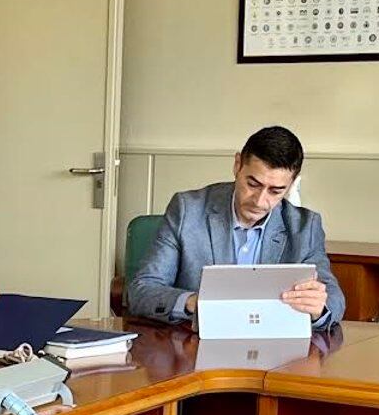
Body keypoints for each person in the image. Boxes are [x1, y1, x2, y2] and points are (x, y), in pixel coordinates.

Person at [126, 126, 345, 329]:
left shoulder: (305, 227)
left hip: (273, 348)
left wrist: (318, 309)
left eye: (275, 191)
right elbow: (142, 290)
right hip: (195, 346)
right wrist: (194, 302)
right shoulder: (187, 210)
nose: (260, 201)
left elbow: (335, 299)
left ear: (291, 183)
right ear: (237, 165)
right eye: (253, 184)